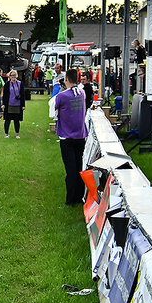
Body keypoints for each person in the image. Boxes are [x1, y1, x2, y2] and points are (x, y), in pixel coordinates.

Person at [55, 69, 88, 206]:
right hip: (80, 135)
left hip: (67, 136)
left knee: (70, 169)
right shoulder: (82, 93)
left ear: (66, 79)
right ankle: (80, 195)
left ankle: (71, 199)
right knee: (78, 166)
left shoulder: (62, 96)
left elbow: (54, 109)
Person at [0, 70, 25, 139]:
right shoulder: (7, 84)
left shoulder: (20, 83)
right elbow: (5, 95)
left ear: (16, 76)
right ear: (9, 76)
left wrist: (23, 105)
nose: (13, 77)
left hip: (17, 105)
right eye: (12, 75)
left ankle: (17, 134)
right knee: (7, 120)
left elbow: (22, 94)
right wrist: (4, 104)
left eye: (14, 75)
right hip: (9, 104)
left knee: (17, 120)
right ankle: (6, 134)